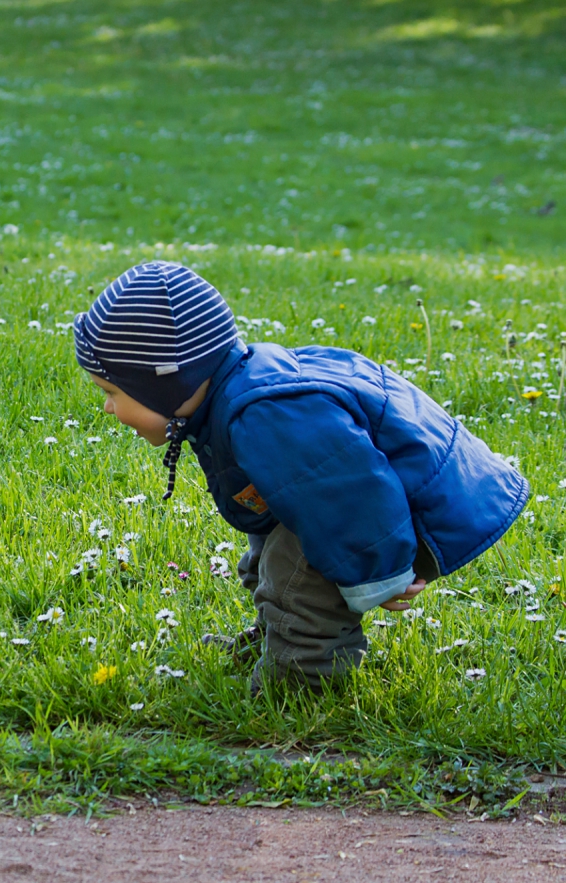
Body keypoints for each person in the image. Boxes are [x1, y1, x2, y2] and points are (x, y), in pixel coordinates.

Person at [73, 261, 528, 691]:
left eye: (113, 391)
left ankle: (302, 677)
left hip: (418, 507)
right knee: (269, 554)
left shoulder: (267, 415)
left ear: (167, 382)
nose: (109, 407)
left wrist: (382, 573)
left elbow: (350, 495)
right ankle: (281, 640)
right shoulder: (230, 395)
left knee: (295, 574)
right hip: (384, 498)